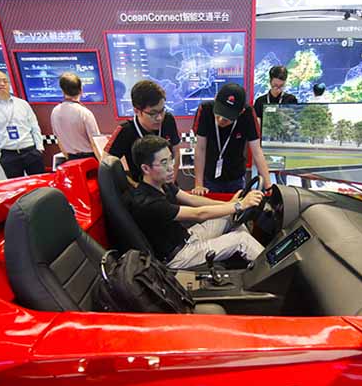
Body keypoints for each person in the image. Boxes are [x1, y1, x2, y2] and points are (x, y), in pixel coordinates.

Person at [129, 135, 264, 269]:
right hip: (179, 256)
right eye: (164, 163)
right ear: (146, 168)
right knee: (242, 240)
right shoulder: (148, 202)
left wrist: (230, 204)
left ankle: (250, 270)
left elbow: (192, 200)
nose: (171, 167)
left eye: (171, 159)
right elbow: (198, 214)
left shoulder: (164, 184)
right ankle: (276, 275)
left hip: (188, 237)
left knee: (230, 217)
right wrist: (239, 205)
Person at [192, 83, 272, 195]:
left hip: (236, 177)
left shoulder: (248, 114)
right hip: (209, 177)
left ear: (240, 112)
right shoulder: (205, 110)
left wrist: (268, 186)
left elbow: (257, 152)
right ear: (215, 99)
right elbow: (200, 148)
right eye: (218, 113)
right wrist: (198, 184)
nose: (220, 120)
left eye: (226, 118)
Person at [105, 80, 180, 178]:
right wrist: (130, 184)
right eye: (152, 113)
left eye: (162, 111)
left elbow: (176, 152)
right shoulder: (126, 130)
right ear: (136, 110)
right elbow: (106, 165)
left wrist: (171, 182)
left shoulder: (168, 120)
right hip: (141, 188)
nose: (159, 118)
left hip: (167, 185)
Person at [0, 71, 45, 178]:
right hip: (8, 154)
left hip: (30, 150)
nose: (2, 84)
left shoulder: (22, 104)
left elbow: (34, 127)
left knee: (40, 184)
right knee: (18, 188)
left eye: (5, 81)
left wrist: (39, 148)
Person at [50, 73, 103, 162]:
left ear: (63, 91)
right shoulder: (84, 113)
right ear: (81, 90)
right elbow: (95, 143)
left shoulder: (55, 112)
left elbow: (59, 139)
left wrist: (68, 158)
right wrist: (102, 165)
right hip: (90, 159)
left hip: (71, 159)